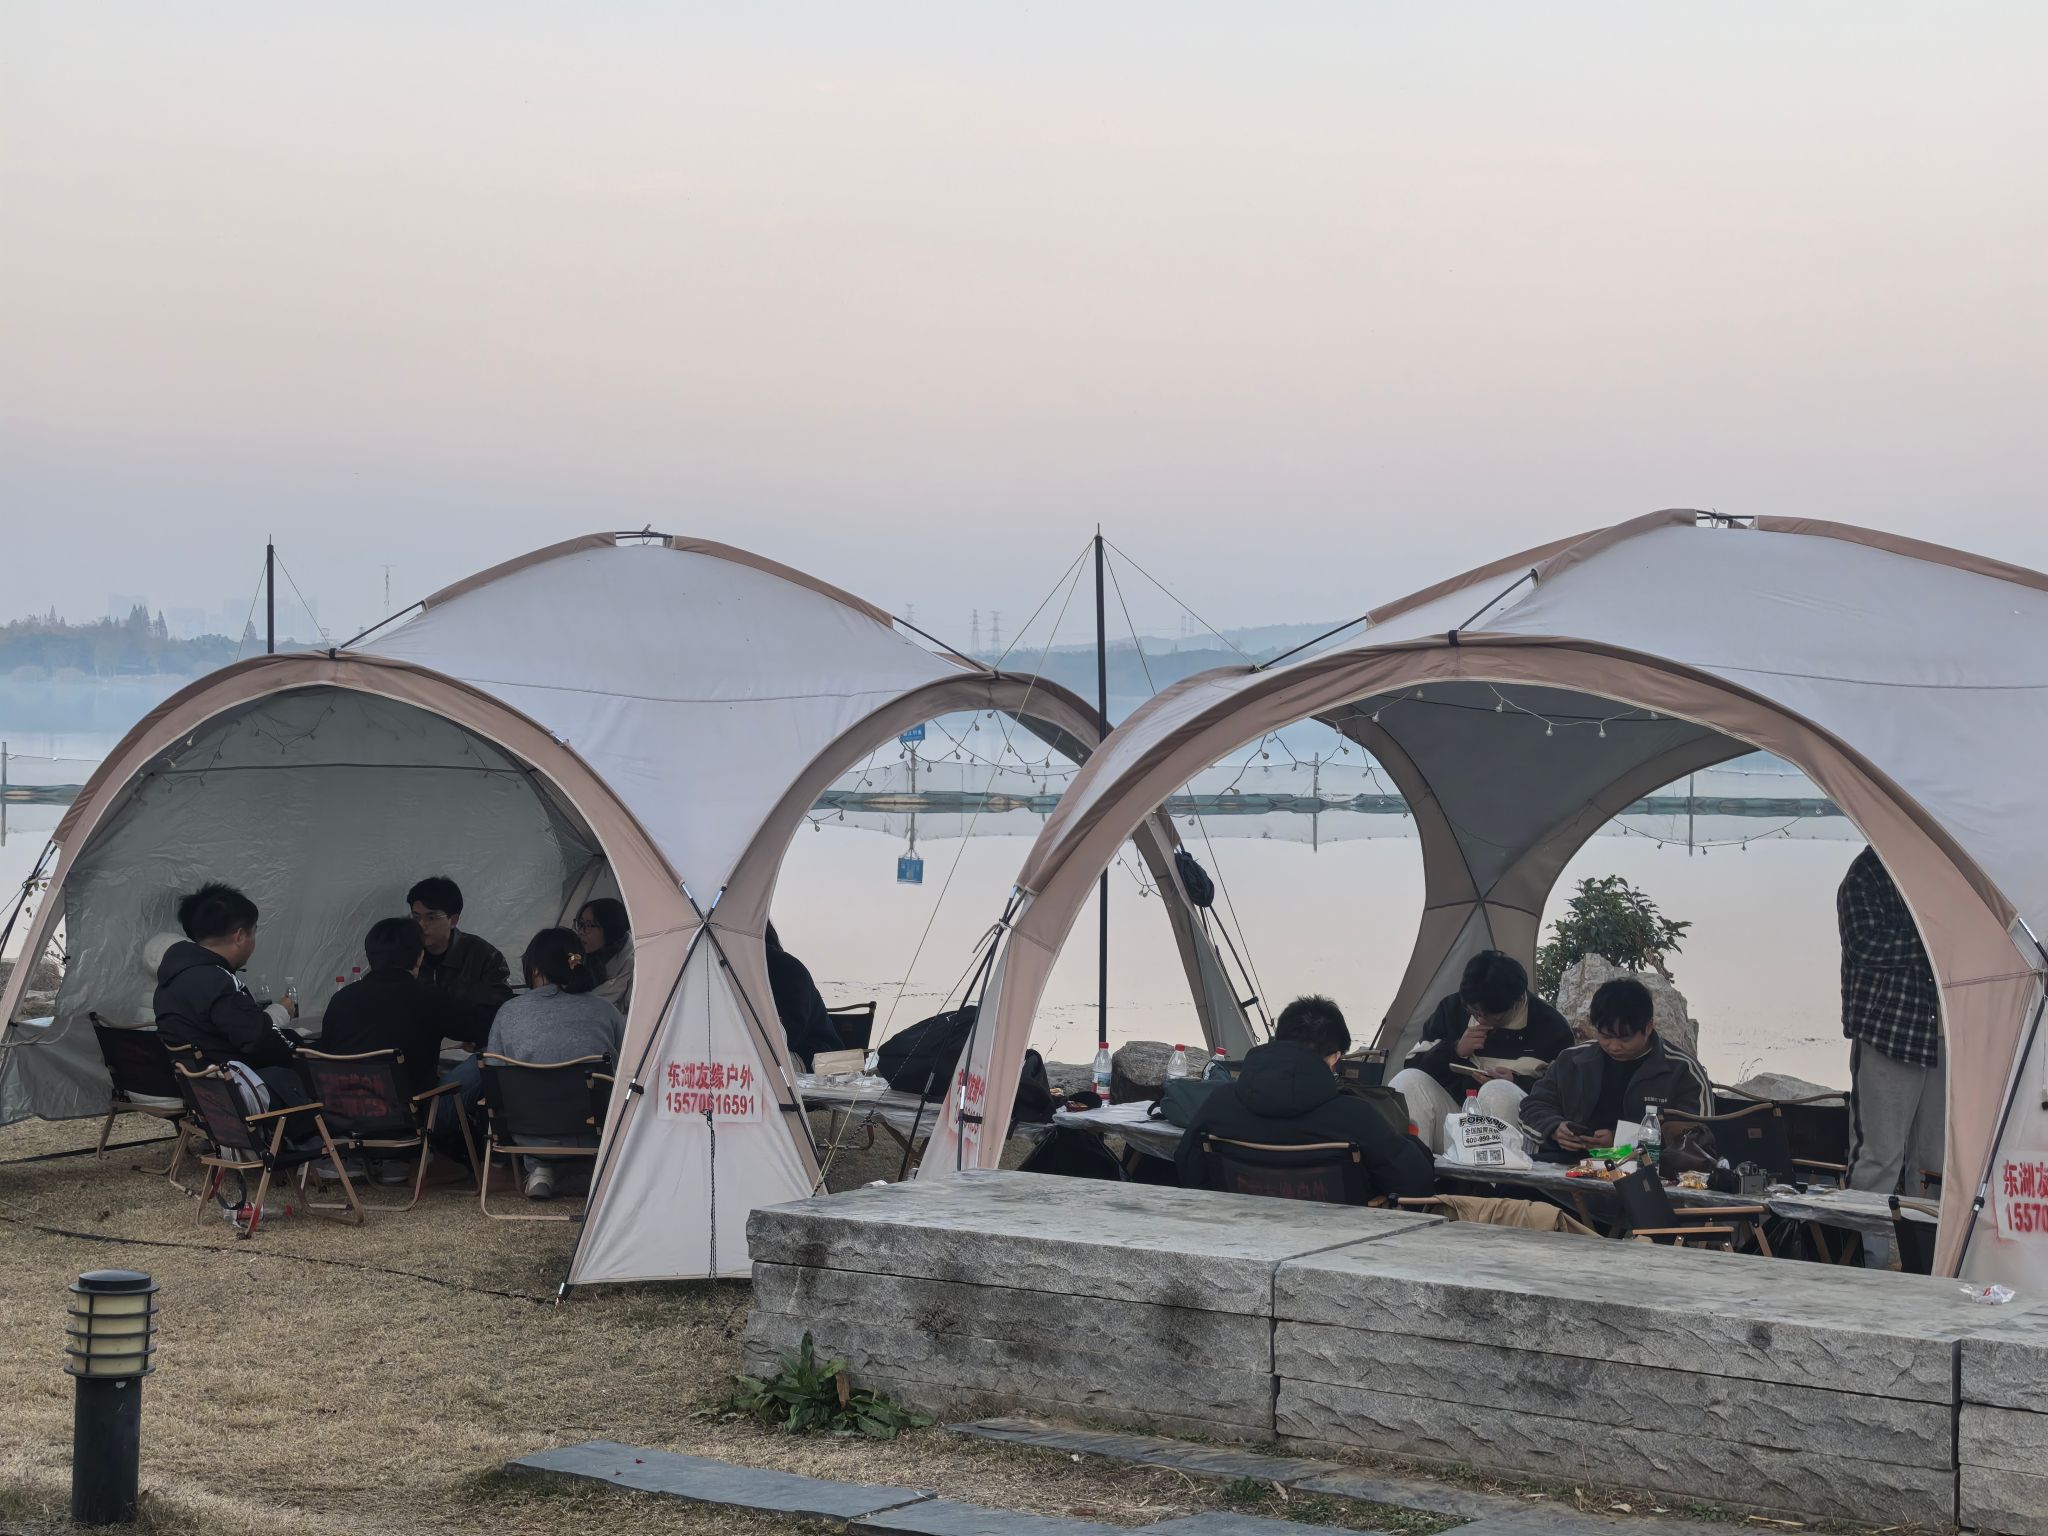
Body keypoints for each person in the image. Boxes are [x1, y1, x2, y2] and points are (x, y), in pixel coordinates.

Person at [1174, 994, 1434, 1202]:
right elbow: (1415, 1184)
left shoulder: (1219, 1105)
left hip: (1240, 1235)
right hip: (1341, 1242)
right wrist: (1410, 1144)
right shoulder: (1356, 1117)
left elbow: (1187, 1168)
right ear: (1335, 1057)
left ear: (1278, 1041)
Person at [1838, 846, 1943, 1264]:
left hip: (1942, 1037)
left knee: (1935, 1166)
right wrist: (1932, 937)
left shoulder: (1938, 872)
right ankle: (1867, 1266)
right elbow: (1864, 947)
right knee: (1879, 1159)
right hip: (1888, 1035)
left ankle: (1929, 1265)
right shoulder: (1864, 875)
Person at [484, 927, 627, 1199]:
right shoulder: (606, 1011)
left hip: (527, 1134)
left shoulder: (508, 1012)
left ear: (536, 969)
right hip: (595, 1133)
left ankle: (539, 1170)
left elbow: (494, 1076)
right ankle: (603, 1172)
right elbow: (627, 1070)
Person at [1389, 950, 1575, 1153]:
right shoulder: (1452, 1010)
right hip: (1455, 1119)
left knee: (1497, 1091)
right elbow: (1413, 1063)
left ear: (1517, 1002)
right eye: (1474, 1012)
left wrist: (1516, 1081)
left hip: (1516, 1132)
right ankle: (1413, 1167)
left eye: (1491, 1016)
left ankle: (1496, 1173)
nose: (1481, 1019)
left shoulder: (1551, 1027)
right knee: (1407, 1080)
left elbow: (1565, 1096)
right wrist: (1455, 1049)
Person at [151, 882, 310, 1114]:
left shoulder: (171, 980)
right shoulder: (216, 981)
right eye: (253, 932)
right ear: (240, 936)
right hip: (238, 1095)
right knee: (315, 1072)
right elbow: (258, 1040)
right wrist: (296, 1048)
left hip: (204, 1096)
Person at [1519, 977, 1712, 1162]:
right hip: (1568, 1164)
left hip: (1647, 1171)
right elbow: (1533, 1106)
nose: (1614, 1046)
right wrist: (1554, 1128)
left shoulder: (1682, 1070)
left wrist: (1623, 1142)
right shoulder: (1572, 1061)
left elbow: (1700, 1136)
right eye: (1605, 1036)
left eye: (1625, 1038)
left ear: (1649, 1027)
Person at [319, 917, 462, 1100]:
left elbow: (326, 1051)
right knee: (482, 1063)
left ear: (370, 957)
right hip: (416, 1112)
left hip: (345, 1111)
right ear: (420, 957)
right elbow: (473, 1030)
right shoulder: (429, 998)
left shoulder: (341, 999)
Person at [407, 876, 513, 1046]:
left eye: (431, 917)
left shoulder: (485, 956)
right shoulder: (405, 952)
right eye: (416, 917)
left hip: (469, 1047)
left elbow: (500, 1011)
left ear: (453, 920)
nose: (421, 925)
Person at [765, 923, 843, 1070]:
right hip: (779, 1050)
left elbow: (791, 1035)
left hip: (813, 1055)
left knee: (753, 1064)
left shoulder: (786, 968)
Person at [574, 897, 634, 1013]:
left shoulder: (632, 966)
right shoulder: (576, 955)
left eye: (588, 925)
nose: (580, 931)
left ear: (609, 929)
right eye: (580, 923)